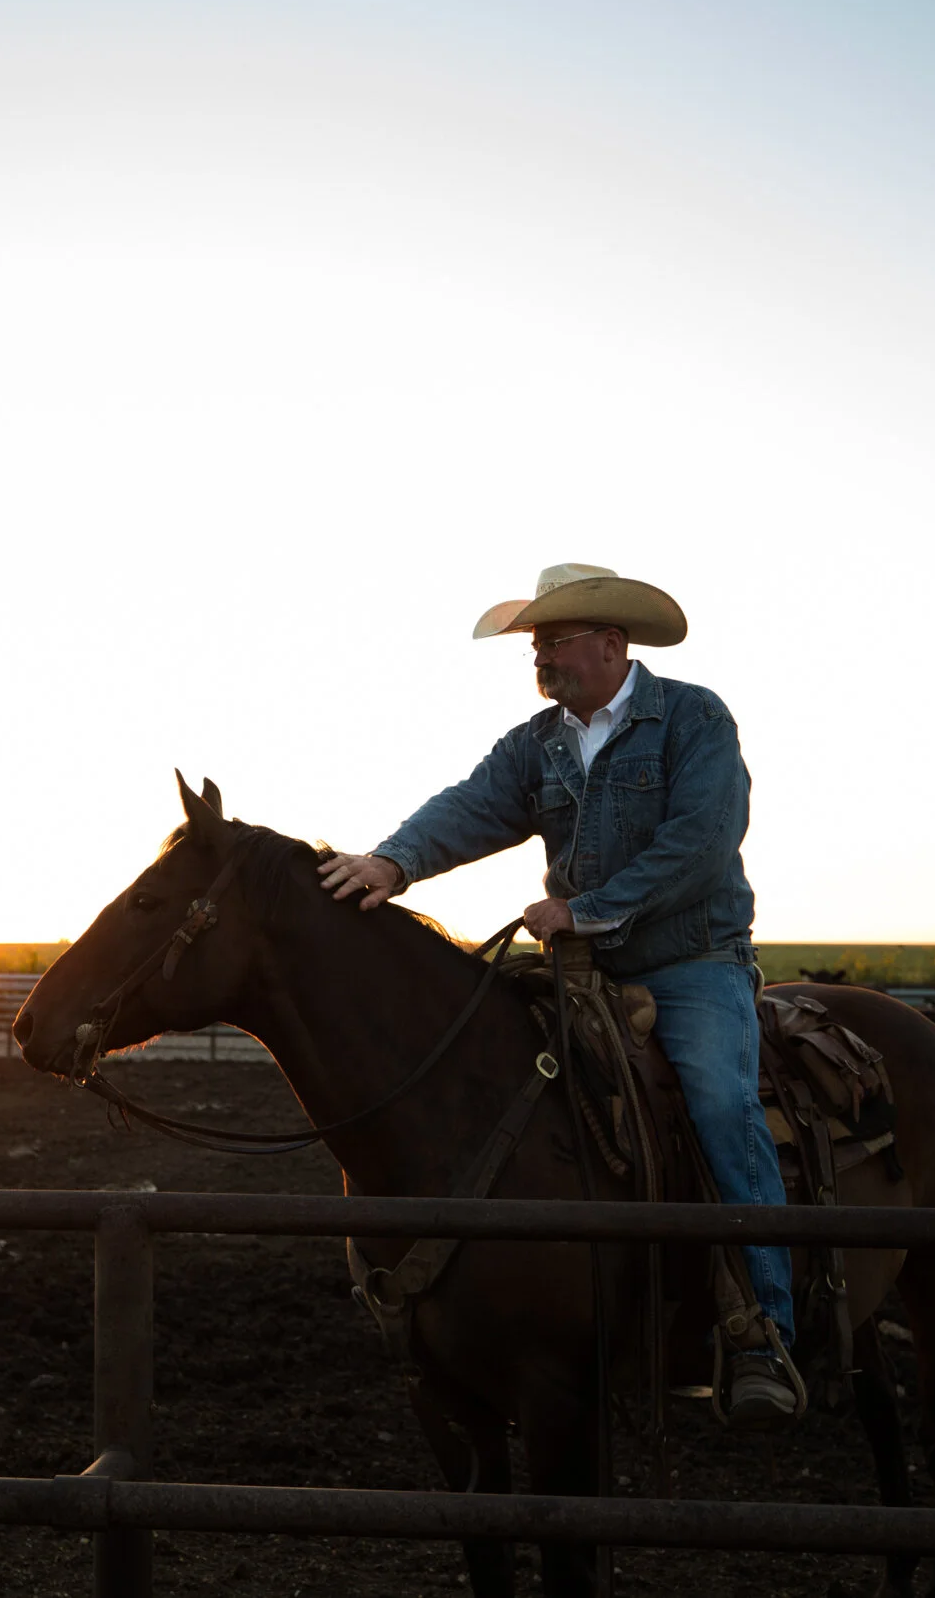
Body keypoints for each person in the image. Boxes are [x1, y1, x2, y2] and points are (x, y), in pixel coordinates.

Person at [315, 562, 802, 1429]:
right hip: (582, 967)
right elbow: (470, 808)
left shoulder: (693, 718)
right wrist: (392, 862)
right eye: (535, 643)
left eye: (553, 639)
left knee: (722, 1107)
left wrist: (588, 908)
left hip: (692, 962)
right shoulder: (536, 744)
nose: (539, 655)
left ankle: (763, 1327)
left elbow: (702, 842)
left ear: (612, 644)